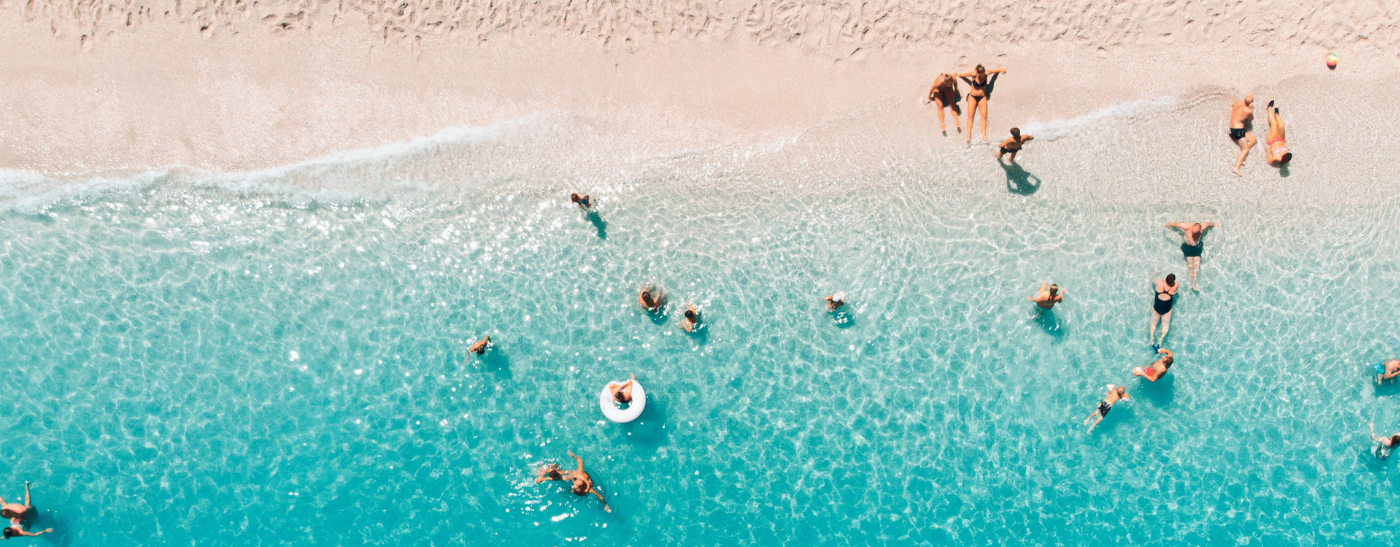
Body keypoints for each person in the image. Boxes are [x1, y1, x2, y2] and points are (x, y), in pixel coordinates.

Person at [536, 451, 610, 512]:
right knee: (563, 477)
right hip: (575, 475)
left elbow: (599, 495)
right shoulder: (578, 474)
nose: (575, 485)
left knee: (564, 478)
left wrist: (605, 505)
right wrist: (573, 455)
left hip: (579, 477)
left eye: (575, 486)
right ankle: (545, 475)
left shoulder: (588, 489)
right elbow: (580, 460)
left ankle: (542, 477)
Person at [958, 65, 1005, 143]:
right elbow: (964, 75)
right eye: (980, 74)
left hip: (982, 97)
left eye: (982, 73)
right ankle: (968, 134)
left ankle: (984, 134)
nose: (981, 75)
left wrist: (1000, 70)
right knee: (970, 116)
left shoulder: (986, 73)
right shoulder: (973, 74)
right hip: (972, 97)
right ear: (976, 72)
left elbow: (994, 74)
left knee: (984, 116)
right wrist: (958, 74)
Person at [1166, 222, 1217, 290]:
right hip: (1187, 247)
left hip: (1197, 247)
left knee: (1197, 264)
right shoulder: (1187, 226)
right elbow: (1176, 224)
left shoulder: (1203, 227)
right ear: (1192, 227)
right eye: (1193, 232)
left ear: (1200, 229)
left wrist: (1215, 224)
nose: (1193, 234)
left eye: (1195, 233)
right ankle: (1191, 280)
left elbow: (1209, 224)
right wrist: (1167, 225)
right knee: (1190, 263)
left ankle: (1194, 281)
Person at [1149, 274, 1179, 349]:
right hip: (1167, 309)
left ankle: (1152, 339)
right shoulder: (1175, 286)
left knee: (1153, 324)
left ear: (1165, 279)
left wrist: (1156, 272)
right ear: (1173, 282)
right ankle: (1160, 340)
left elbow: (1153, 279)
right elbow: (1175, 284)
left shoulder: (1159, 283)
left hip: (1157, 308)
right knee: (1165, 327)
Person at [1229, 95, 1257, 175]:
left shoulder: (1237, 102)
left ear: (1244, 99)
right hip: (1238, 131)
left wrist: (1247, 105)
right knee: (1246, 149)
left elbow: (1234, 107)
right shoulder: (1248, 110)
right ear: (1251, 102)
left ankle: (1241, 156)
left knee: (1253, 140)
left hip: (1232, 127)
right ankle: (1237, 167)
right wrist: (1250, 108)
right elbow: (1251, 118)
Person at [1264, 100, 1292, 166]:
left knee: (1274, 124)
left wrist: (1268, 151)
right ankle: (1276, 114)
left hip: (1272, 141)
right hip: (1281, 139)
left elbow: (1269, 162)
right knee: (1281, 126)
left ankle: (1269, 108)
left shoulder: (1276, 157)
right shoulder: (1287, 154)